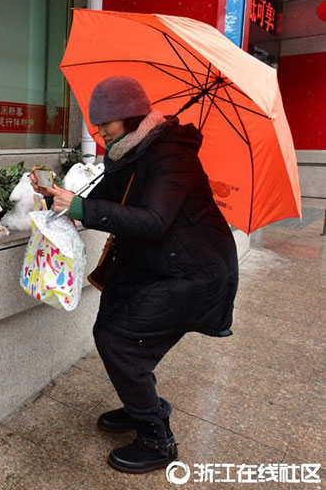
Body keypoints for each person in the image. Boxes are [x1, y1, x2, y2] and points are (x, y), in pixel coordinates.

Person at [30, 76, 238, 474]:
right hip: (149, 263)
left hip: (190, 270)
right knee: (111, 328)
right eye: (98, 122)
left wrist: (82, 210)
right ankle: (140, 402)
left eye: (106, 122)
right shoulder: (130, 151)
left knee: (123, 342)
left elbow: (155, 220)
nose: (100, 130)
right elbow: (105, 203)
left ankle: (157, 437)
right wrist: (60, 199)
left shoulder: (171, 155)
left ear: (130, 116)